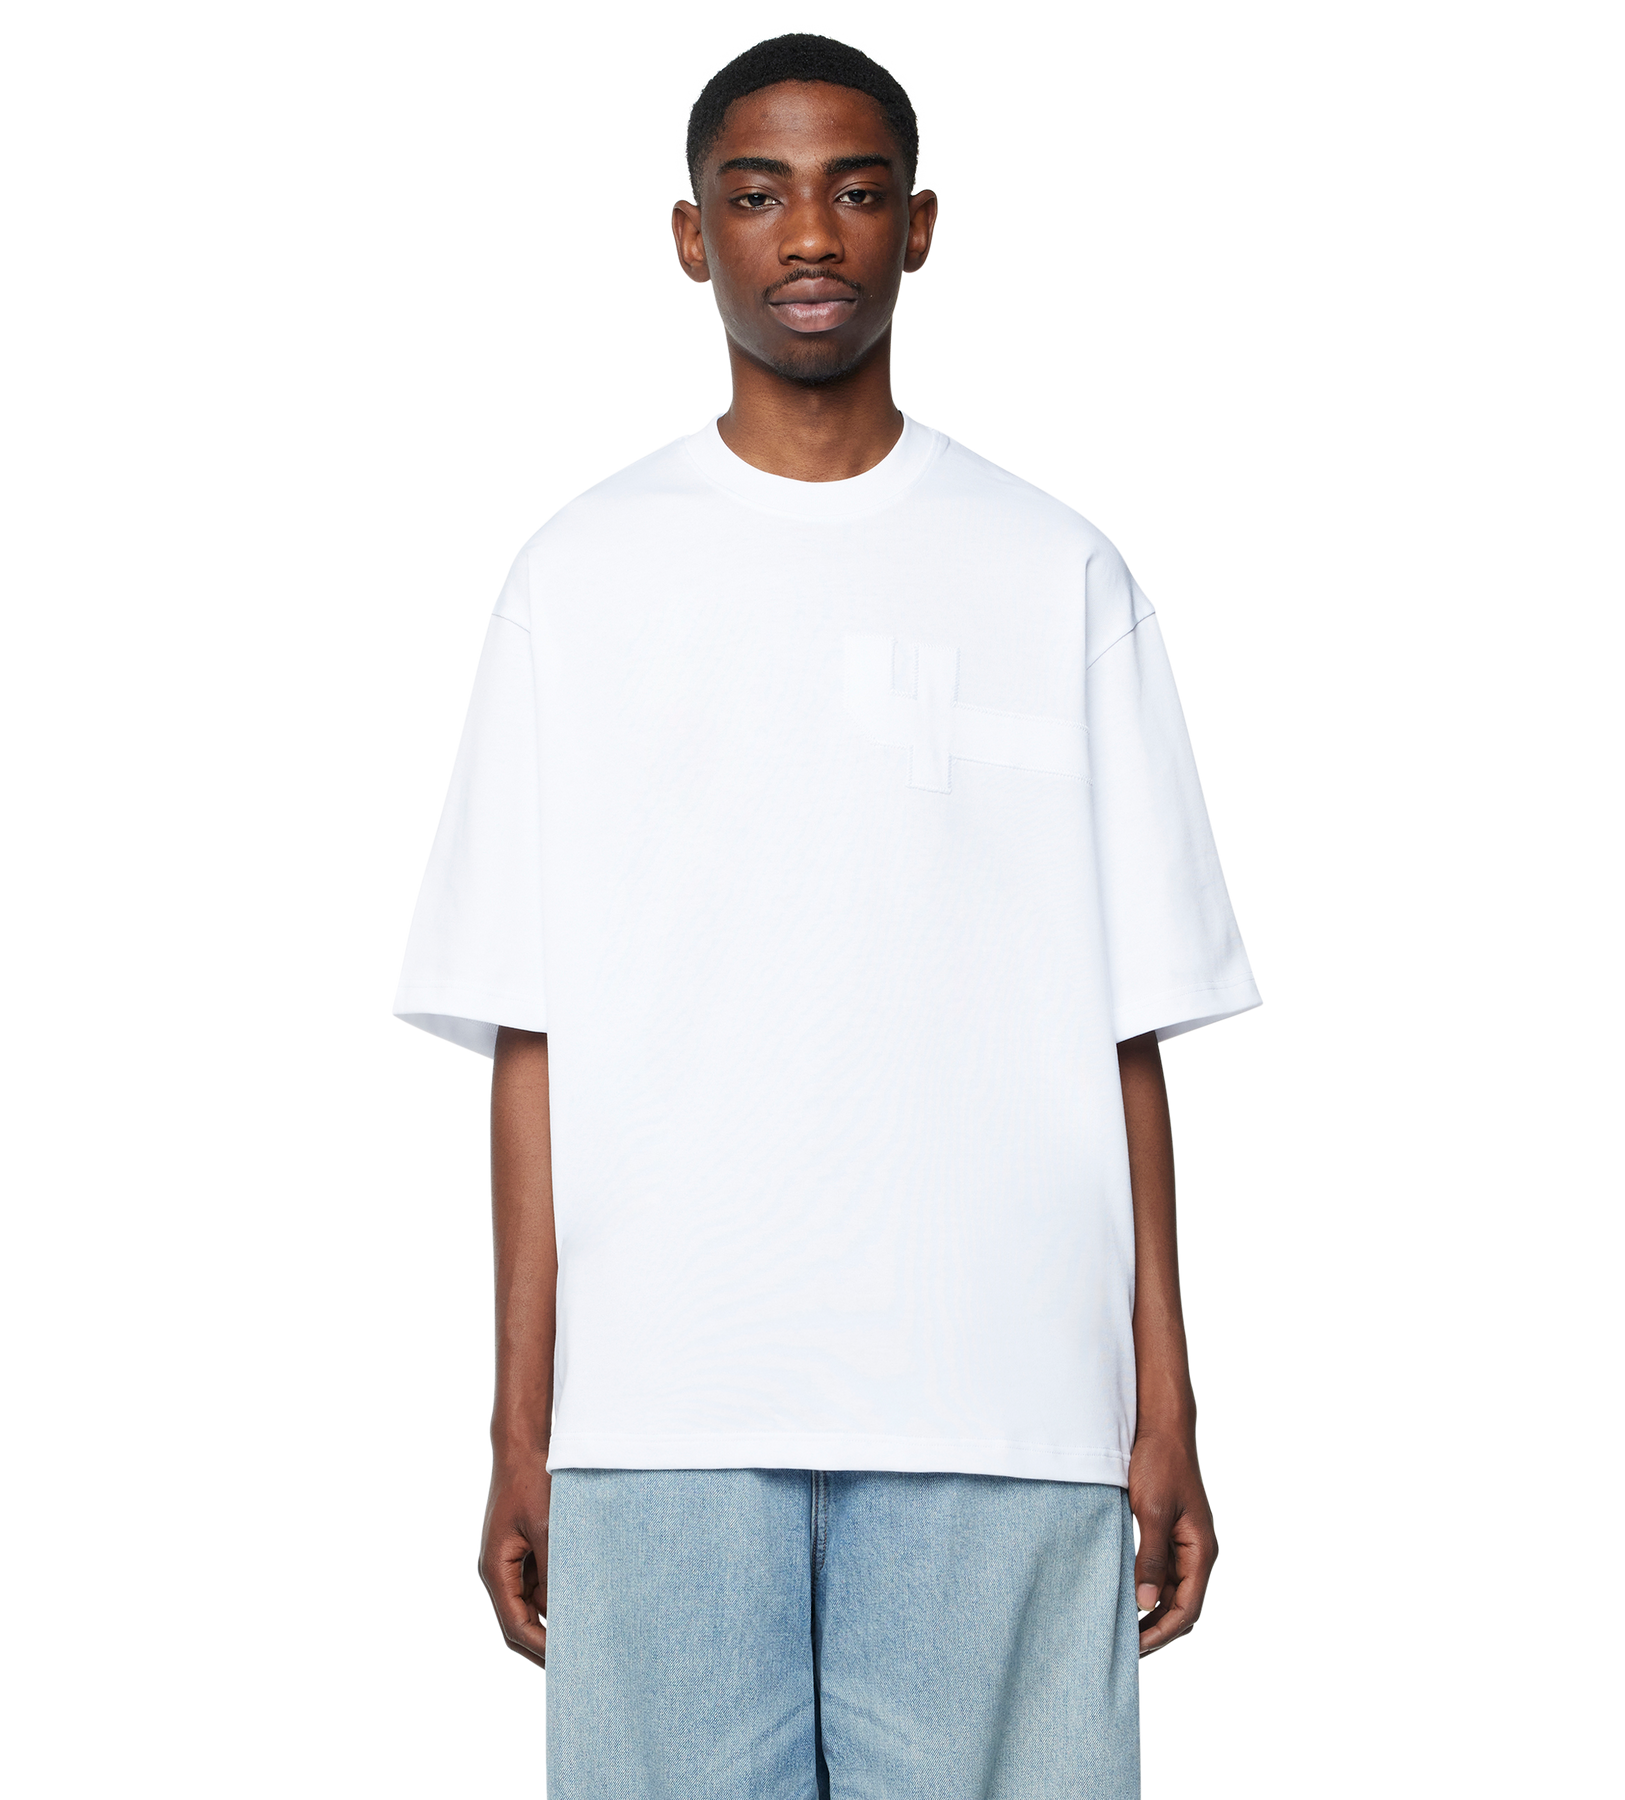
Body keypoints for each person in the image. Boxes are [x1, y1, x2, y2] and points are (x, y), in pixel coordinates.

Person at [390, 23, 1264, 1797]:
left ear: (921, 227)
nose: (809, 235)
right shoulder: (577, 577)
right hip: (666, 1407)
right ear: (688, 236)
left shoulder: (1057, 570)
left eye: (857, 192)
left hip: (1006, 1397)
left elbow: (1127, 1031)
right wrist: (520, 1418)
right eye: (758, 194)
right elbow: (529, 1042)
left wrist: (1163, 1399)